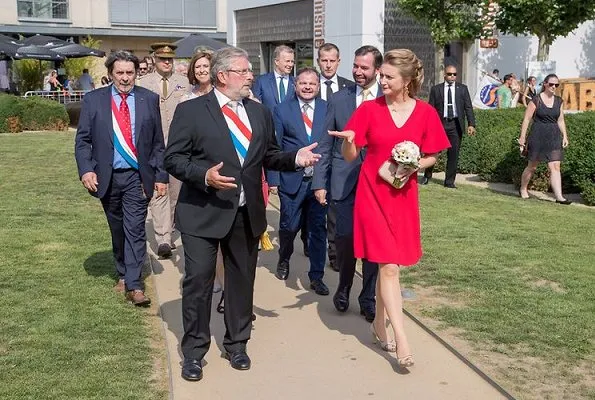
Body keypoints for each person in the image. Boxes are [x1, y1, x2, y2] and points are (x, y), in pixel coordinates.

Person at [164, 47, 321, 381]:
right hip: (202, 213)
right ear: (223, 75)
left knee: (241, 282)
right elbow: (173, 159)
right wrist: (204, 176)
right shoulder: (192, 111)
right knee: (198, 283)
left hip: (245, 213)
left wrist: (295, 158)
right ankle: (194, 352)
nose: (252, 76)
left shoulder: (260, 113)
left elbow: (271, 155)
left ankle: (237, 344)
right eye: (245, 70)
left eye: (251, 70)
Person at [329, 49, 450, 368]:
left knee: (389, 267)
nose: (380, 80)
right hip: (371, 195)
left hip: (403, 197)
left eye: (387, 77)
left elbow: (433, 156)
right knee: (389, 267)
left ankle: (377, 324)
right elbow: (352, 155)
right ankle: (403, 338)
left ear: (407, 81)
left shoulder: (425, 113)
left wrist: (412, 163)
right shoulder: (368, 109)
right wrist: (349, 141)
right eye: (380, 75)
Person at [74, 50, 168, 306]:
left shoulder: (149, 99)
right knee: (118, 230)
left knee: (135, 229)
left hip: (138, 177)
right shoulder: (94, 100)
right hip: (107, 177)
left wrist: (161, 176)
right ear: (110, 74)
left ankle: (135, 285)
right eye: (120, 73)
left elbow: (158, 143)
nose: (125, 78)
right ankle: (124, 272)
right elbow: (83, 140)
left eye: (130, 73)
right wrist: (86, 169)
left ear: (137, 73)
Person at [312, 45, 382, 322]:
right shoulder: (339, 100)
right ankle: (344, 286)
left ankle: (368, 296)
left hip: (378, 184)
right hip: (344, 184)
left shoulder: (387, 100)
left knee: (373, 245)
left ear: (377, 70)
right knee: (345, 240)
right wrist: (320, 182)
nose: (358, 72)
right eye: (355, 66)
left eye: (364, 67)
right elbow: (326, 143)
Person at [268, 67, 329, 295]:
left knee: (317, 230)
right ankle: (284, 258)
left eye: (312, 83)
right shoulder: (282, 110)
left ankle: (316, 276)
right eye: (303, 83)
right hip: (291, 180)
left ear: (318, 86)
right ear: (295, 85)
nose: (307, 87)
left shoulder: (327, 109)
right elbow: (274, 147)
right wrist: (273, 179)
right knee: (289, 226)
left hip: (319, 183)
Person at [138, 42, 189, 259]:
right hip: (153, 147)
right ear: (154, 60)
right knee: (160, 192)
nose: (167, 62)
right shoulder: (143, 83)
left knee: (175, 194)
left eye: (170, 59)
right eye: (162, 59)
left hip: (178, 146)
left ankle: (170, 228)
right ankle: (163, 239)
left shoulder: (184, 83)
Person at [316, 42, 354, 272]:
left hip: (341, 158)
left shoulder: (349, 89)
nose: (328, 65)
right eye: (324, 60)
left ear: (338, 62)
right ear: (318, 61)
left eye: (332, 60)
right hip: (315, 152)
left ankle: (334, 255)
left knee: (335, 211)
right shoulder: (306, 85)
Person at [518, 73, 571, 204]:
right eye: (551, 84)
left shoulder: (559, 101)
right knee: (532, 166)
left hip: (554, 135)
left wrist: (565, 135)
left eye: (556, 85)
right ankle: (523, 189)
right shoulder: (536, 100)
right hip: (538, 134)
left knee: (555, 166)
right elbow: (526, 119)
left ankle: (559, 197)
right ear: (545, 84)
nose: (554, 87)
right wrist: (522, 138)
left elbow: (561, 120)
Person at [422, 65, 476, 188]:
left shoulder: (462, 89)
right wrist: (428, 125)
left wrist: (471, 124)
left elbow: (468, 107)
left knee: (453, 154)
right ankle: (427, 176)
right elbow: (431, 108)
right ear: (444, 75)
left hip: (455, 125)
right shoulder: (436, 89)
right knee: (432, 151)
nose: (452, 76)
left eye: (454, 74)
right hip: (440, 125)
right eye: (450, 74)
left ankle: (449, 181)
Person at [252, 44, 296, 110]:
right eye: (287, 61)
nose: (290, 64)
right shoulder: (262, 81)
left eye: (292, 61)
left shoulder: (296, 82)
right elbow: (255, 106)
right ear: (276, 61)